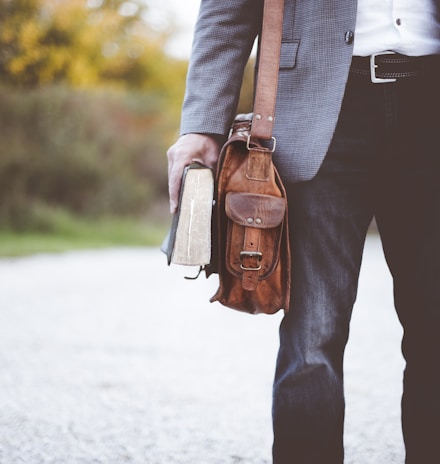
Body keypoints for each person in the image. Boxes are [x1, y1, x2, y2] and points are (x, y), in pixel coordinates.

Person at [167, 1, 440, 462]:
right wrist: (202, 124)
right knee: (313, 337)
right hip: (320, 110)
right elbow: (228, 11)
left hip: (429, 102)